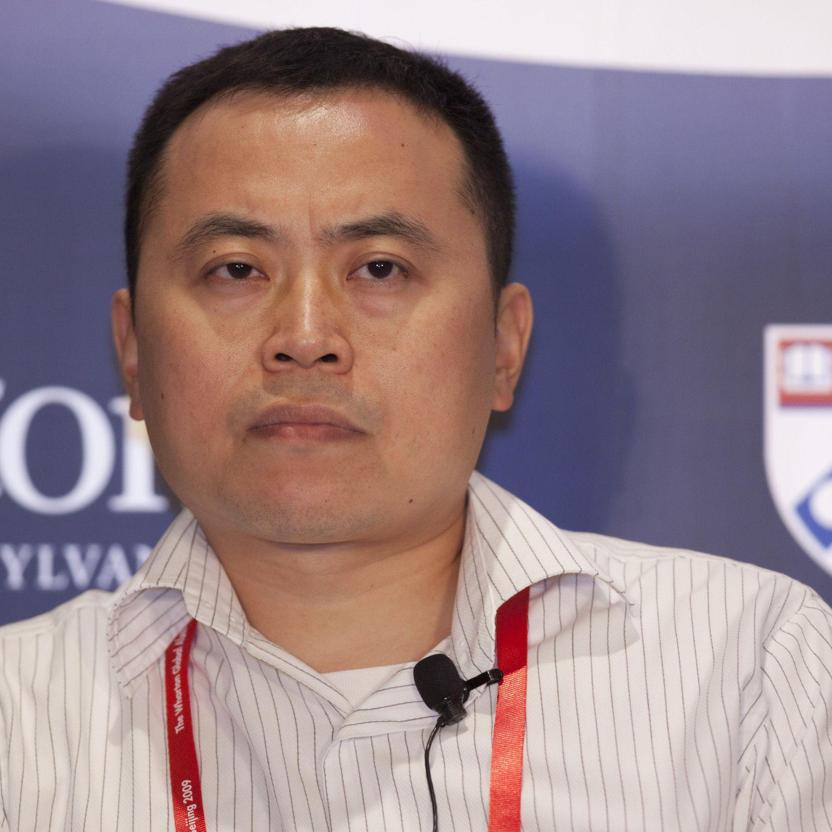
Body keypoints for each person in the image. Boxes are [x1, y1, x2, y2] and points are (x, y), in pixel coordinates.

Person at [0, 26, 830, 832]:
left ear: (503, 347)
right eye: (237, 269)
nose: (305, 336)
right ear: (134, 350)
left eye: (380, 268)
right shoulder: (19, 718)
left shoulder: (751, 671)